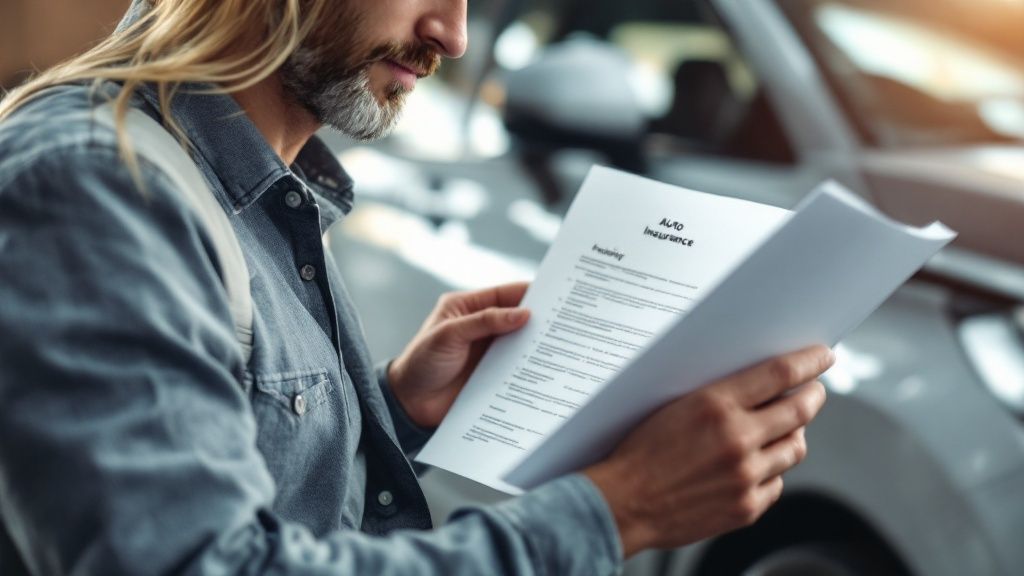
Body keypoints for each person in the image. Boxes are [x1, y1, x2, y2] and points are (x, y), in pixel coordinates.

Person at [0, 0, 832, 574]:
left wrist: (394, 410)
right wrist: (623, 508)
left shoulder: (257, 186)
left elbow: (257, 491)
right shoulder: (95, 185)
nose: (454, 34)